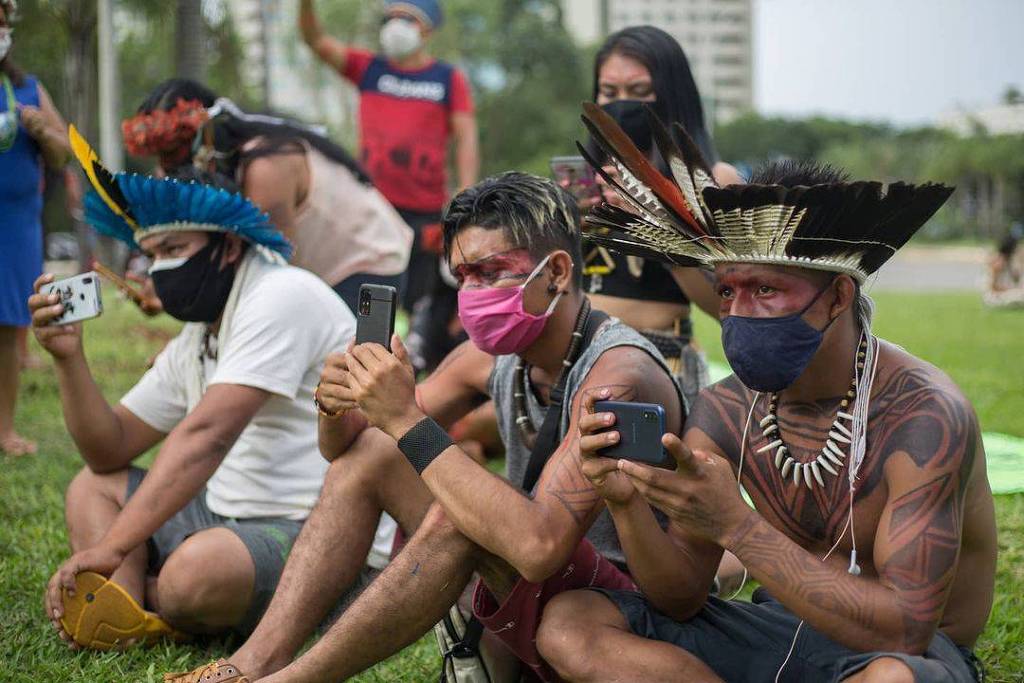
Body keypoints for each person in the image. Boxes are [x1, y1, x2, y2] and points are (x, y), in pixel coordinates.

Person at [162, 172, 682, 683]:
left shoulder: (617, 377)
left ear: (558, 272)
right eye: (464, 277)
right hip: (545, 588)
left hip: (615, 618)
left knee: (456, 516)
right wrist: (337, 402)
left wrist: (404, 417)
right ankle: (250, 666)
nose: (474, 292)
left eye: (492, 270)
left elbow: (539, 547)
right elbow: (348, 448)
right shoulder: (488, 359)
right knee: (373, 457)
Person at [535, 110, 997, 682]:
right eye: (727, 289)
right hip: (783, 632)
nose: (737, 311)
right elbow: (679, 597)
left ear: (836, 297)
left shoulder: (924, 415)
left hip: (910, 656)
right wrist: (627, 506)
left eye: (766, 289)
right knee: (571, 620)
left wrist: (737, 527)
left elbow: (904, 629)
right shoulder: (727, 410)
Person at [36, 130, 393, 649]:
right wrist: (69, 360)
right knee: (91, 485)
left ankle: (163, 592)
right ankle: (127, 610)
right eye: (152, 255)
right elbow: (107, 446)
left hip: (319, 531)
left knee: (193, 578)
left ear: (227, 247)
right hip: (225, 515)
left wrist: (113, 545)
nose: (161, 269)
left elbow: (207, 436)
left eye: (175, 248)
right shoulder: (201, 334)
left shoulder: (279, 294)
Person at [122, 79, 412, 313]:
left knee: (340, 372)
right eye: (159, 156)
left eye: (174, 151)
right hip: (315, 274)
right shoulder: (193, 170)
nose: (165, 168)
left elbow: (276, 276)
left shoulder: (266, 170)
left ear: (208, 132)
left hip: (370, 263)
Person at [299, 0, 480, 360]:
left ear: (426, 29)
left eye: (407, 18)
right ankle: (359, 354)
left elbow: (467, 135)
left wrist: (464, 197)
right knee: (370, 287)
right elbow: (315, 40)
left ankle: (414, 361)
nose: (396, 25)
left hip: (425, 210)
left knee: (420, 293)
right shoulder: (369, 69)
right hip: (373, 207)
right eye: (391, 17)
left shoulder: (446, 79)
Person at [582, 25, 742, 411]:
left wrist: (659, 233)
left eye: (639, 92)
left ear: (672, 96)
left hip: (659, 357)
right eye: (609, 92)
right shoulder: (585, 182)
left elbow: (732, 309)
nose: (621, 104)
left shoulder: (713, 181)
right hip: (579, 356)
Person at [0, 0, 70, 455]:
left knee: (9, 327)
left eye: (1, 21)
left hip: (17, 225)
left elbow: (63, 153)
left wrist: (44, 131)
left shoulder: (26, 88)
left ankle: (3, 430)